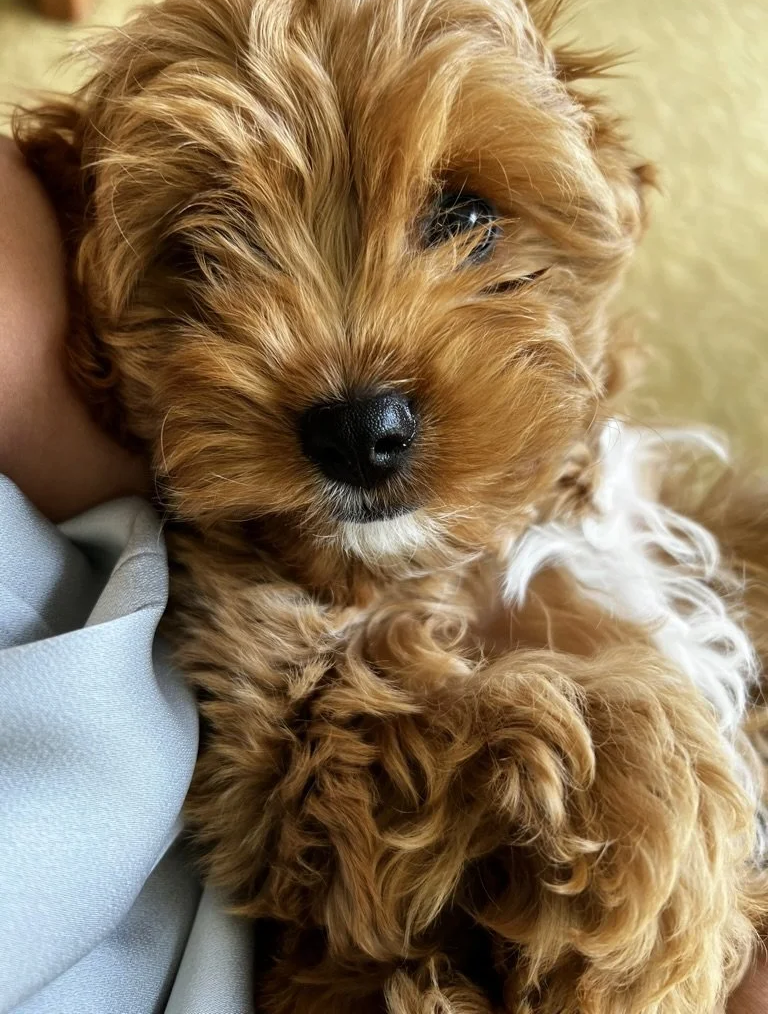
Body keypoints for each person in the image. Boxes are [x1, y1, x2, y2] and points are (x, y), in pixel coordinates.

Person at [0, 135, 765, 1013]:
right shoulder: (259, 602)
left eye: (464, 222)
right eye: (213, 255)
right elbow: (310, 815)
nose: (362, 400)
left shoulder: (601, 463)